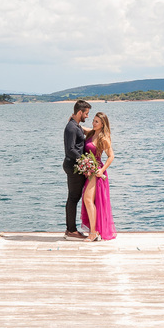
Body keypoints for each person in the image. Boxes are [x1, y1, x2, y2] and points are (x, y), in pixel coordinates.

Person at [80, 112, 116, 241]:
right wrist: (74, 121)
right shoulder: (91, 133)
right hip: (88, 170)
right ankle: (94, 231)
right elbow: (81, 128)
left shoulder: (103, 138)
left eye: (96, 122)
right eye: (93, 120)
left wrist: (102, 170)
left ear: (102, 124)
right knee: (89, 201)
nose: (93, 123)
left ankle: (94, 232)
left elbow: (111, 156)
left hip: (96, 172)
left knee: (88, 200)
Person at [62, 100, 91, 239]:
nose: (87, 116)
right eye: (86, 113)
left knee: (74, 197)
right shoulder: (71, 128)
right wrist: (83, 159)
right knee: (73, 198)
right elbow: (70, 149)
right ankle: (71, 231)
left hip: (75, 165)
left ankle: (70, 229)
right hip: (73, 166)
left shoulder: (76, 126)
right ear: (80, 112)